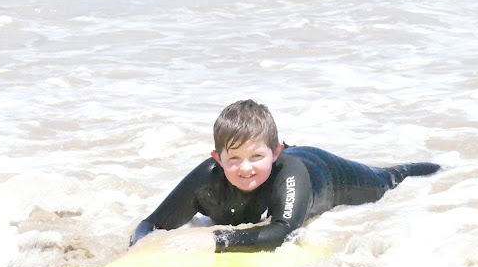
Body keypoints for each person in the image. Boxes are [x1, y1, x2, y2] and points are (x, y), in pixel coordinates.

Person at [130, 99, 440, 252]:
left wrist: (215, 240)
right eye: (233, 158)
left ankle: (438, 168)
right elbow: (152, 223)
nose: (245, 167)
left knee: (387, 179)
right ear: (217, 158)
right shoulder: (207, 178)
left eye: (257, 157)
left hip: (327, 174)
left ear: (275, 153)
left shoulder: (289, 172)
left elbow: (282, 233)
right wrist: (140, 246)